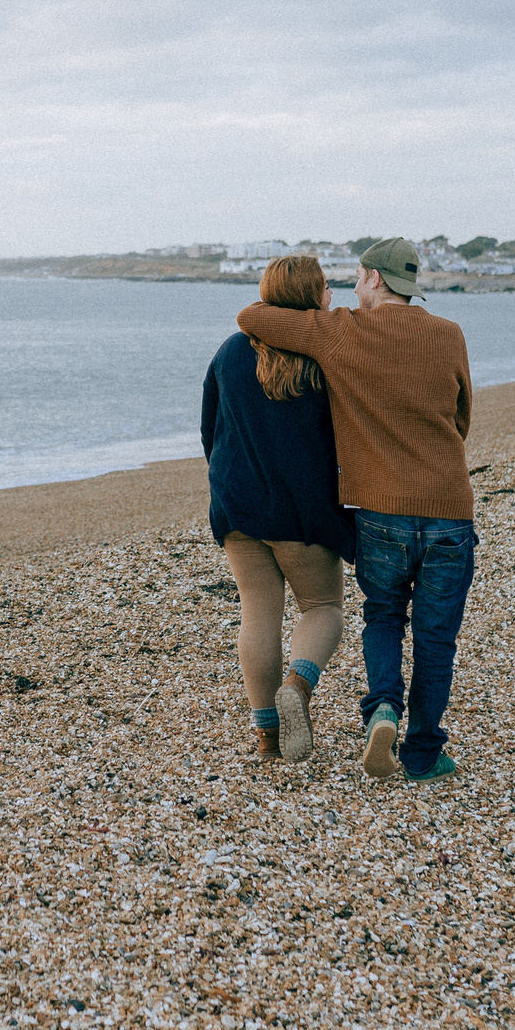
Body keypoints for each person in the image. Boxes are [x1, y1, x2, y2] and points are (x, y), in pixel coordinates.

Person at [236, 237, 474, 782]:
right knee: (437, 638)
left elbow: (252, 316)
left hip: (381, 512)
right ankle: (422, 755)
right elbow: (461, 416)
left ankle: (383, 709)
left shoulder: (342, 330)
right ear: (409, 286)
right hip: (448, 508)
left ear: (371, 278)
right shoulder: (448, 333)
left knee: (384, 616)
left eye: (356, 278)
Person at [201, 255, 356, 762]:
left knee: (257, 615)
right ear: (311, 295)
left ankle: (267, 737)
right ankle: (299, 686)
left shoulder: (229, 352)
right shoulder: (324, 356)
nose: (332, 294)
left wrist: (230, 482)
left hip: (238, 506)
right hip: (301, 513)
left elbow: (210, 430)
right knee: (324, 608)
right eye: (327, 287)